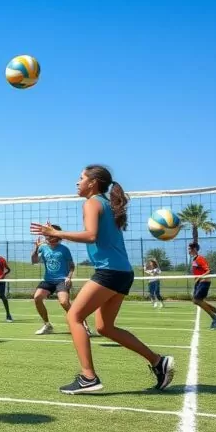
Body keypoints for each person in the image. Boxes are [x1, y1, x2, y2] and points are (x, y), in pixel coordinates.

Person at [31, 164, 175, 394]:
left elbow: (91, 235)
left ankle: (88, 377)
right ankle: (158, 362)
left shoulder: (92, 202)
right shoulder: (106, 204)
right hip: (122, 272)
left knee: (74, 317)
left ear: (93, 182)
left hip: (109, 272)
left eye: (81, 178)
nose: (77, 182)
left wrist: (55, 233)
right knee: (104, 327)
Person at [30, 227, 92, 337]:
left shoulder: (64, 249)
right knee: (37, 297)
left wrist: (69, 277)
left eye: (50, 234)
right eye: (47, 235)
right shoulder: (43, 248)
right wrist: (36, 248)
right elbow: (34, 261)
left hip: (62, 280)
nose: (47, 237)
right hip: (48, 280)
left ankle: (83, 325)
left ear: (57, 236)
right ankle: (47, 325)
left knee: (64, 302)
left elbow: (71, 266)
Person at [189, 242, 216, 329]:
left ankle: (215, 318)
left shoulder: (200, 258)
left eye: (189, 249)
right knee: (196, 301)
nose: (188, 251)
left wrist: (199, 278)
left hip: (204, 282)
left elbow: (208, 270)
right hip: (198, 283)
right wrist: (196, 281)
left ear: (194, 249)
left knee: (197, 300)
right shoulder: (194, 259)